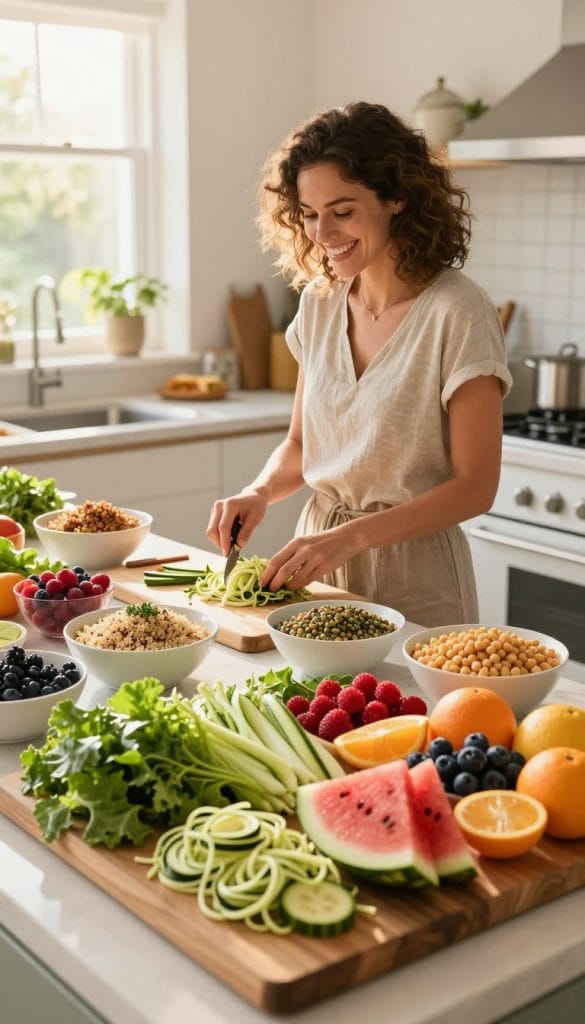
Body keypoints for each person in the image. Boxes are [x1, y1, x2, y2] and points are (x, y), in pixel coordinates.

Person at [207, 101, 513, 626]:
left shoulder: (458, 311)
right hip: (322, 566)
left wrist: (351, 537)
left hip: (416, 573)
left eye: (342, 211)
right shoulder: (320, 303)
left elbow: (476, 487)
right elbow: (302, 445)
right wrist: (258, 491)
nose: (322, 235)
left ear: (397, 197)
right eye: (308, 214)